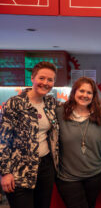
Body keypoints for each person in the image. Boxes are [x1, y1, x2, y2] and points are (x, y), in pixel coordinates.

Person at [0, 61, 59, 208]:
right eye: (42, 78)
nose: (45, 83)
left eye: (50, 80)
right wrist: (5, 172)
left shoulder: (51, 103)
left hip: (46, 167)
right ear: (32, 78)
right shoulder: (14, 104)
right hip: (19, 170)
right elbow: (3, 140)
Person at [55, 77, 101, 208]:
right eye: (81, 91)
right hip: (68, 177)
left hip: (95, 175)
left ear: (93, 96)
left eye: (89, 93)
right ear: (74, 92)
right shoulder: (60, 112)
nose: (85, 95)